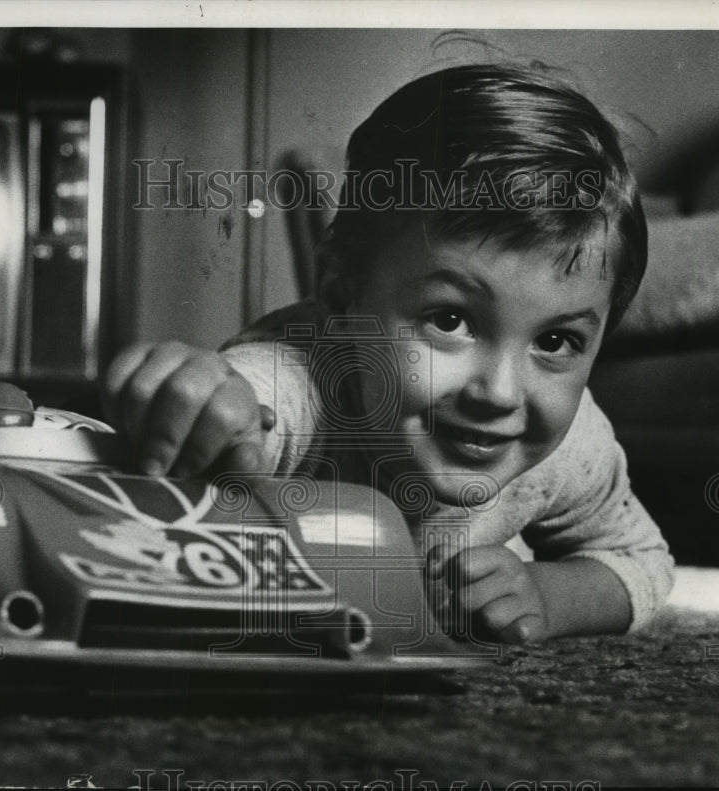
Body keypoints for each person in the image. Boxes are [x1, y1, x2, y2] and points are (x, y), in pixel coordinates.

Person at [103, 63, 675, 644]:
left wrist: (547, 594)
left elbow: (641, 561)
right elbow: (235, 414)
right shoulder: (297, 384)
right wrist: (196, 402)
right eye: (450, 321)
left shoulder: (573, 445)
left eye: (555, 341)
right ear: (340, 290)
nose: (499, 393)